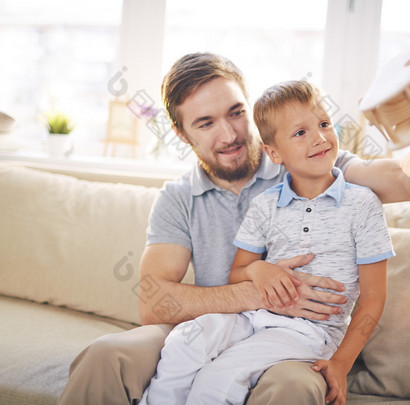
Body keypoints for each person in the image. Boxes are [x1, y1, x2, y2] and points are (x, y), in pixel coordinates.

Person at [57, 52, 410, 405]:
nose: (230, 133)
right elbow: (155, 304)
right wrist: (261, 287)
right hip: (214, 327)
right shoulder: (178, 197)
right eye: (206, 123)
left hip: (294, 339)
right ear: (182, 134)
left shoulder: (310, 164)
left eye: (235, 112)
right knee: (104, 357)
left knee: (291, 390)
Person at [138, 80, 395, 405]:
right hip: (254, 315)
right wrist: (259, 270)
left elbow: (374, 298)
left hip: (311, 332)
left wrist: (341, 364)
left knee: (220, 375)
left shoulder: (363, 204)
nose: (319, 137)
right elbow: (238, 272)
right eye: (300, 133)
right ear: (274, 152)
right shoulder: (266, 203)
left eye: (324, 124)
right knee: (184, 342)